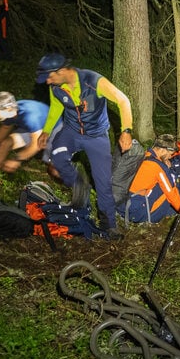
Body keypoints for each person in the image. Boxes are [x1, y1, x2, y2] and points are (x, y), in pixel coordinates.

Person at [36, 53, 134, 237]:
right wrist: (47, 131)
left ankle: (109, 225)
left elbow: (123, 100)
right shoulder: (56, 86)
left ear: (63, 70)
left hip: (97, 136)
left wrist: (126, 130)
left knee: (103, 182)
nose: (48, 81)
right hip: (71, 132)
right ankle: (79, 185)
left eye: (50, 76)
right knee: (56, 158)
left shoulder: (93, 81)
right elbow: (56, 107)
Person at [0, 92, 61, 194]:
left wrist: (17, 159)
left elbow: (36, 145)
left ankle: (74, 187)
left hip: (55, 131)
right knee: (5, 143)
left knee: (54, 170)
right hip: (33, 129)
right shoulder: (11, 112)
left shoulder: (30, 117)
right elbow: (4, 129)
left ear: (8, 109)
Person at [124, 134, 180, 224]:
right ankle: (154, 220)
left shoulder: (143, 156)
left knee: (162, 183)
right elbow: (171, 192)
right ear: (162, 149)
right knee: (169, 186)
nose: (170, 157)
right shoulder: (158, 166)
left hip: (124, 205)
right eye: (170, 154)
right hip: (137, 212)